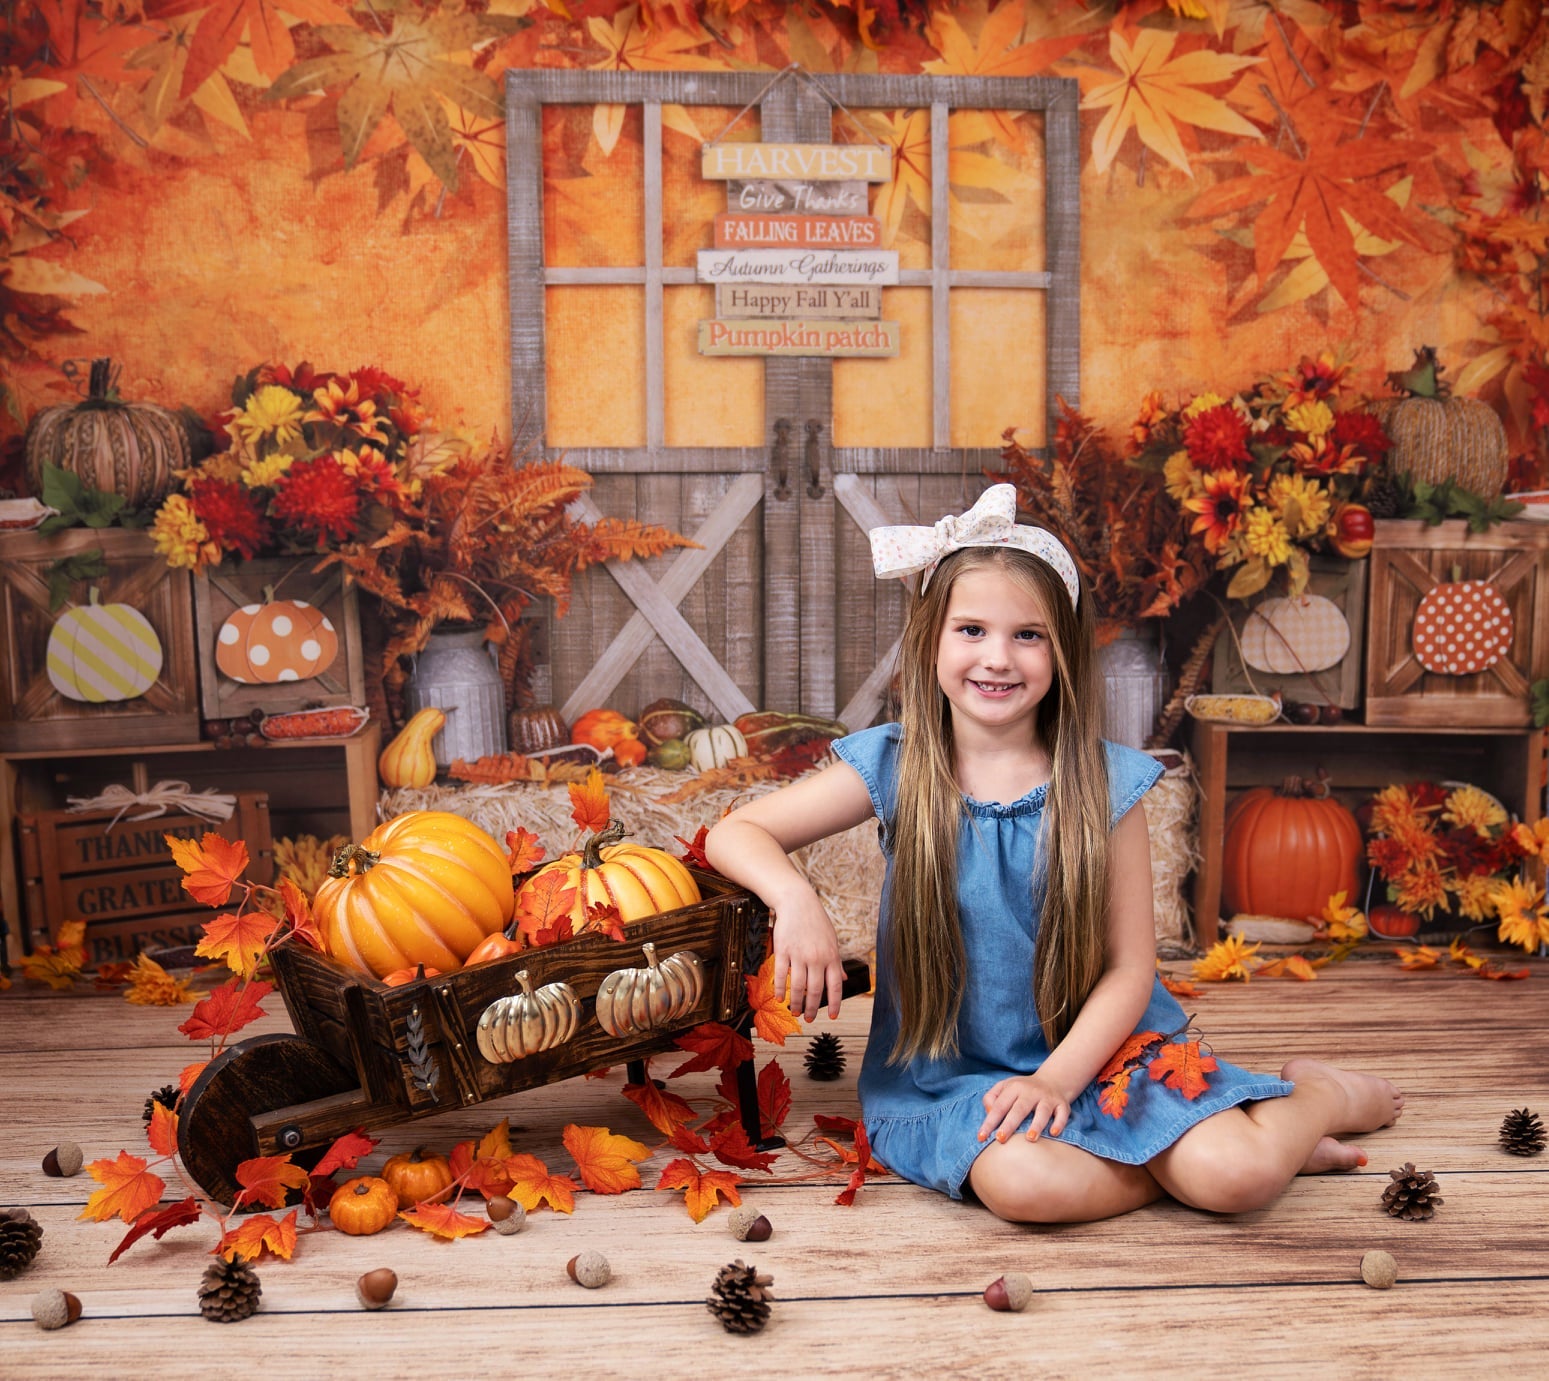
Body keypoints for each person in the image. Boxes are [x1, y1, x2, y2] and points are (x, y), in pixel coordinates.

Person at [705, 485, 1403, 1222]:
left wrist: (1057, 1081)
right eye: (970, 629)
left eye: (1027, 635)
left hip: (1103, 1053)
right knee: (1025, 1187)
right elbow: (734, 832)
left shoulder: (1102, 783)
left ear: (1062, 650)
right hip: (952, 1074)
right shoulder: (897, 764)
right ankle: (1211, 1153)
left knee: (1239, 1180)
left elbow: (1132, 969)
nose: (996, 658)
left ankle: (1314, 1096)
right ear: (929, 639)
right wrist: (794, 899)